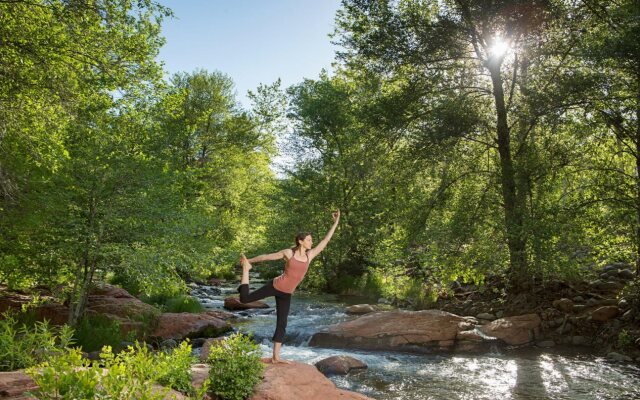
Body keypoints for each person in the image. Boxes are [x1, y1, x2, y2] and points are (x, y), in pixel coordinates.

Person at [237, 209, 341, 364]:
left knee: (282, 323)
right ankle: (246, 270)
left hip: (287, 293)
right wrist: (249, 261)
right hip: (275, 286)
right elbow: (267, 256)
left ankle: (275, 357)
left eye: (311, 240)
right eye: (309, 240)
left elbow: (325, 241)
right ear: (300, 241)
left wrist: (336, 222)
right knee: (244, 299)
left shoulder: (309, 255)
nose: (311, 242)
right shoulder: (289, 253)